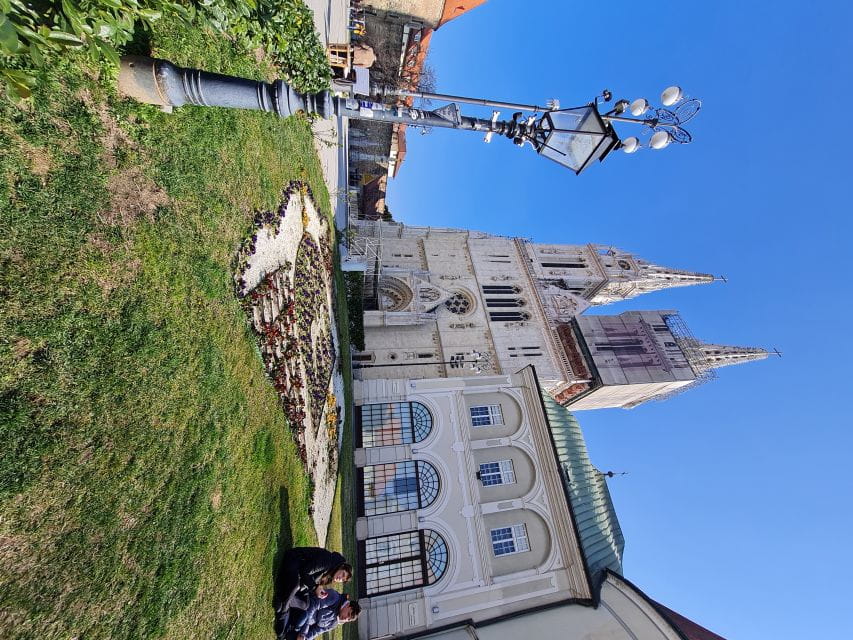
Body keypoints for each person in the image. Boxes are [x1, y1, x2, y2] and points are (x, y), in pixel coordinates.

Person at [274, 547, 352, 633]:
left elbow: (312, 580)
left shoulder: (329, 574)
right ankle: (283, 613)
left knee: (306, 604)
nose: (340, 578)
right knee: (295, 586)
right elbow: (304, 571)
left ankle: (282, 599)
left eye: (342, 580)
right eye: (343, 574)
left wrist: (318, 590)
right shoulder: (327, 561)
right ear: (341, 566)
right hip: (295, 560)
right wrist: (315, 587)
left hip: (300, 576)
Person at [291, 589, 360, 640]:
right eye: (348, 614)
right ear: (348, 605)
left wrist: (305, 638)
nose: (345, 619)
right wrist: (303, 632)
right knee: (304, 616)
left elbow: (316, 631)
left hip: (302, 626)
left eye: (348, 620)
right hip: (302, 608)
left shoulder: (334, 623)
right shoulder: (334, 597)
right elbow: (312, 606)